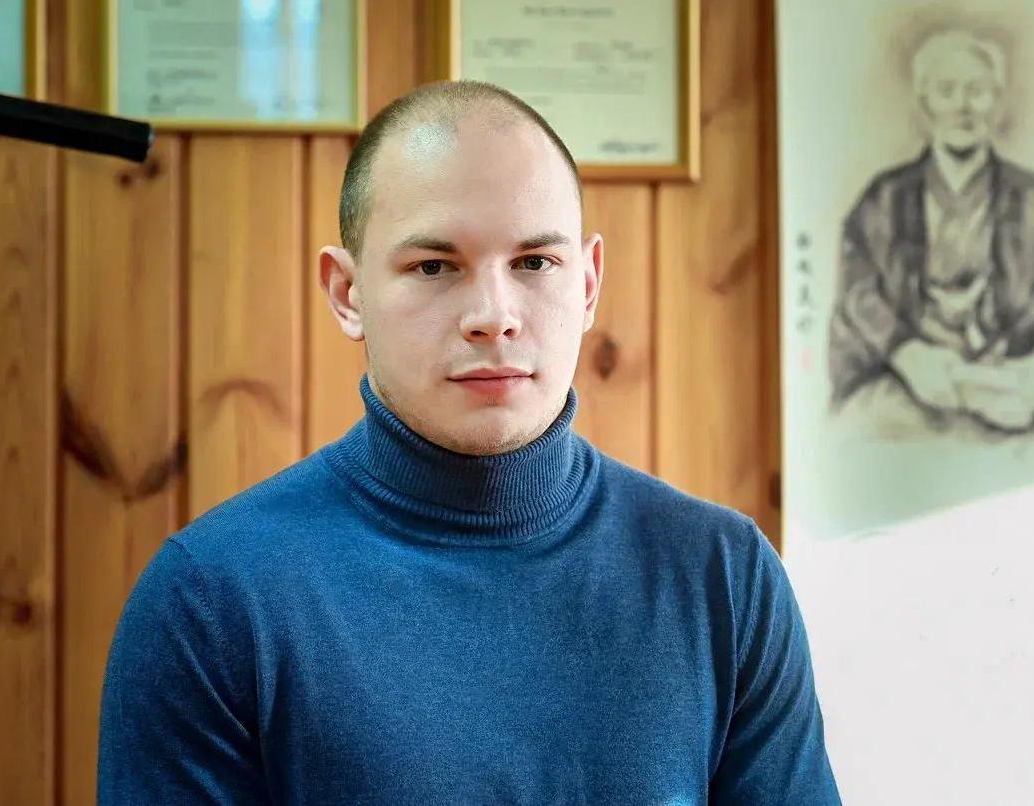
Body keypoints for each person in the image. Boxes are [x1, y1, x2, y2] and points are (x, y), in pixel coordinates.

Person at [98, 80, 839, 804]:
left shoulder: (723, 576)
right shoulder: (209, 600)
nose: (493, 314)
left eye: (534, 263)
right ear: (348, 293)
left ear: (586, 284)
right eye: (434, 266)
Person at [829, 29, 1034, 434]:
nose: (962, 106)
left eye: (977, 91)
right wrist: (906, 353)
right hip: (912, 379)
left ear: (997, 103)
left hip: (1008, 381)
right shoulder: (883, 199)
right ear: (924, 104)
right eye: (946, 91)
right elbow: (858, 293)